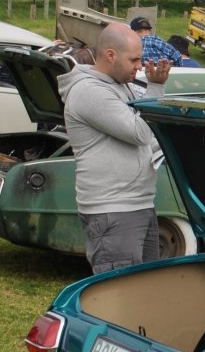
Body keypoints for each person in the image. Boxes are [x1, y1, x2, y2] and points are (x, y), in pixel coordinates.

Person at [58, 23, 171, 274]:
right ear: (110, 55)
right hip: (113, 209)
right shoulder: (89, 90)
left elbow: (152, 135)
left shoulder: (120, 85)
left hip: (138, 205)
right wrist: (156, 88)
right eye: (134, 59)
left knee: (145, 291)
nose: (140, 66)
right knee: (120, 299)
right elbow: (140, 133)